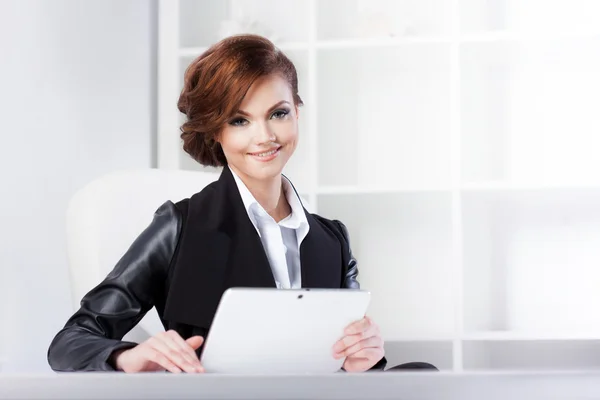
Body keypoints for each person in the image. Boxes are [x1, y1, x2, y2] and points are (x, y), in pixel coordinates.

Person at [47, 34, 435, 373]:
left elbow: (351, 361)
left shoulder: (332, 240)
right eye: (239, 120)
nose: (264, 136)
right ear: (216, 130)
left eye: (278, 114)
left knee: (425, 374)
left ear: (296, 113)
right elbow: (72, 341)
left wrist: (364, 358)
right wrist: (126, 356)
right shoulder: (178, 226)